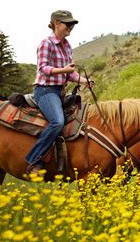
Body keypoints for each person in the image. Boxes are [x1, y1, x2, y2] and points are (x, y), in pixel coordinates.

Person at [25, 10, 93, 174]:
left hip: (60, 92)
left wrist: (84, 81)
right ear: (56, 23)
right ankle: (33, 159)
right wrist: (63, 69)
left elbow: (70, 73)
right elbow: (43, 68)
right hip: (45, 90)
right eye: (67, 24)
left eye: (72, 24)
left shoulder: (67, 46)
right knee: (57, 122)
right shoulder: (46, 44)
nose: (70, 27)